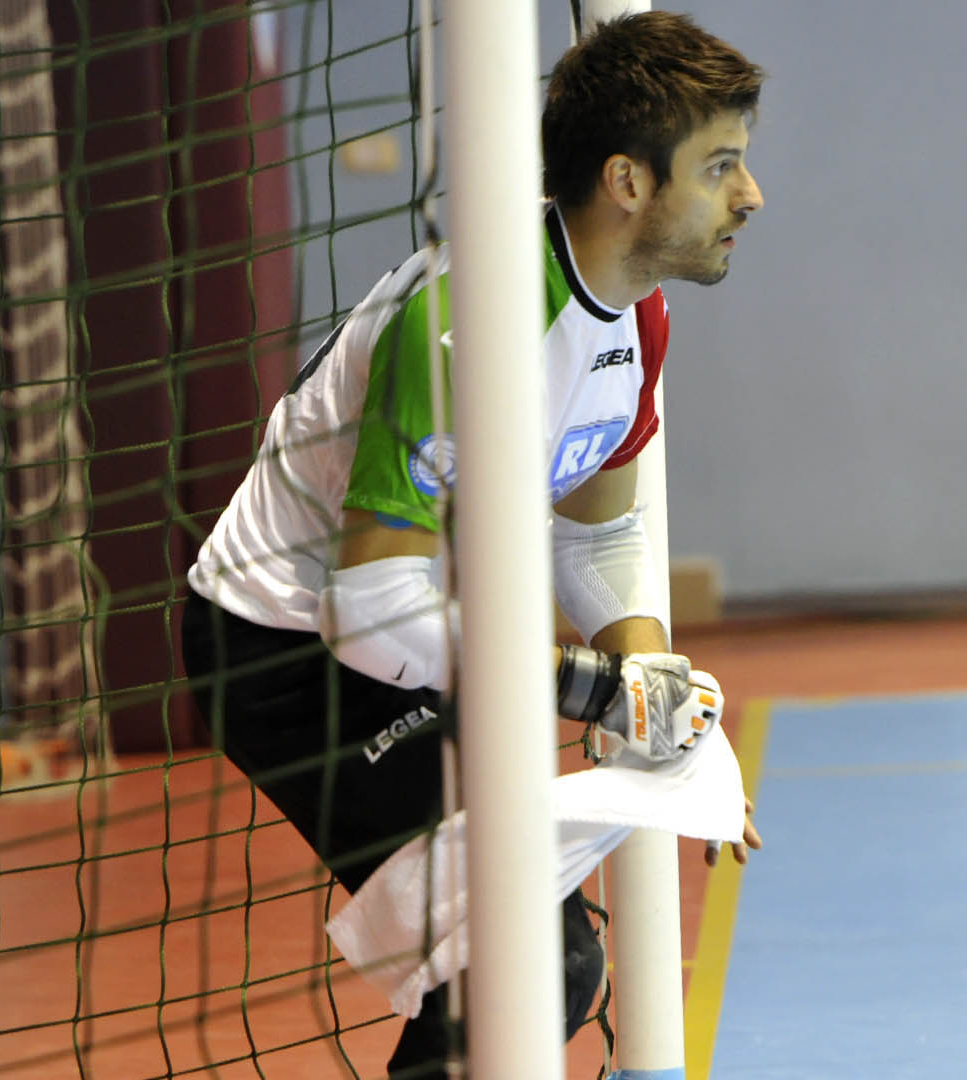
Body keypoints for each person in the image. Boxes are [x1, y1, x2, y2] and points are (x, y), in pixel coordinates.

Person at [181, 12, 765, 1077]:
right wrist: (599, 692)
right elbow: (368, 616)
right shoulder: (462, 323)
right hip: (287, 649)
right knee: (527, 963)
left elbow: (602, 533)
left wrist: (661, 705)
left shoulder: (634, 315)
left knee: (535, 965)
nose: (751, 195)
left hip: (420, 627)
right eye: (721, 165)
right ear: (628, 181)